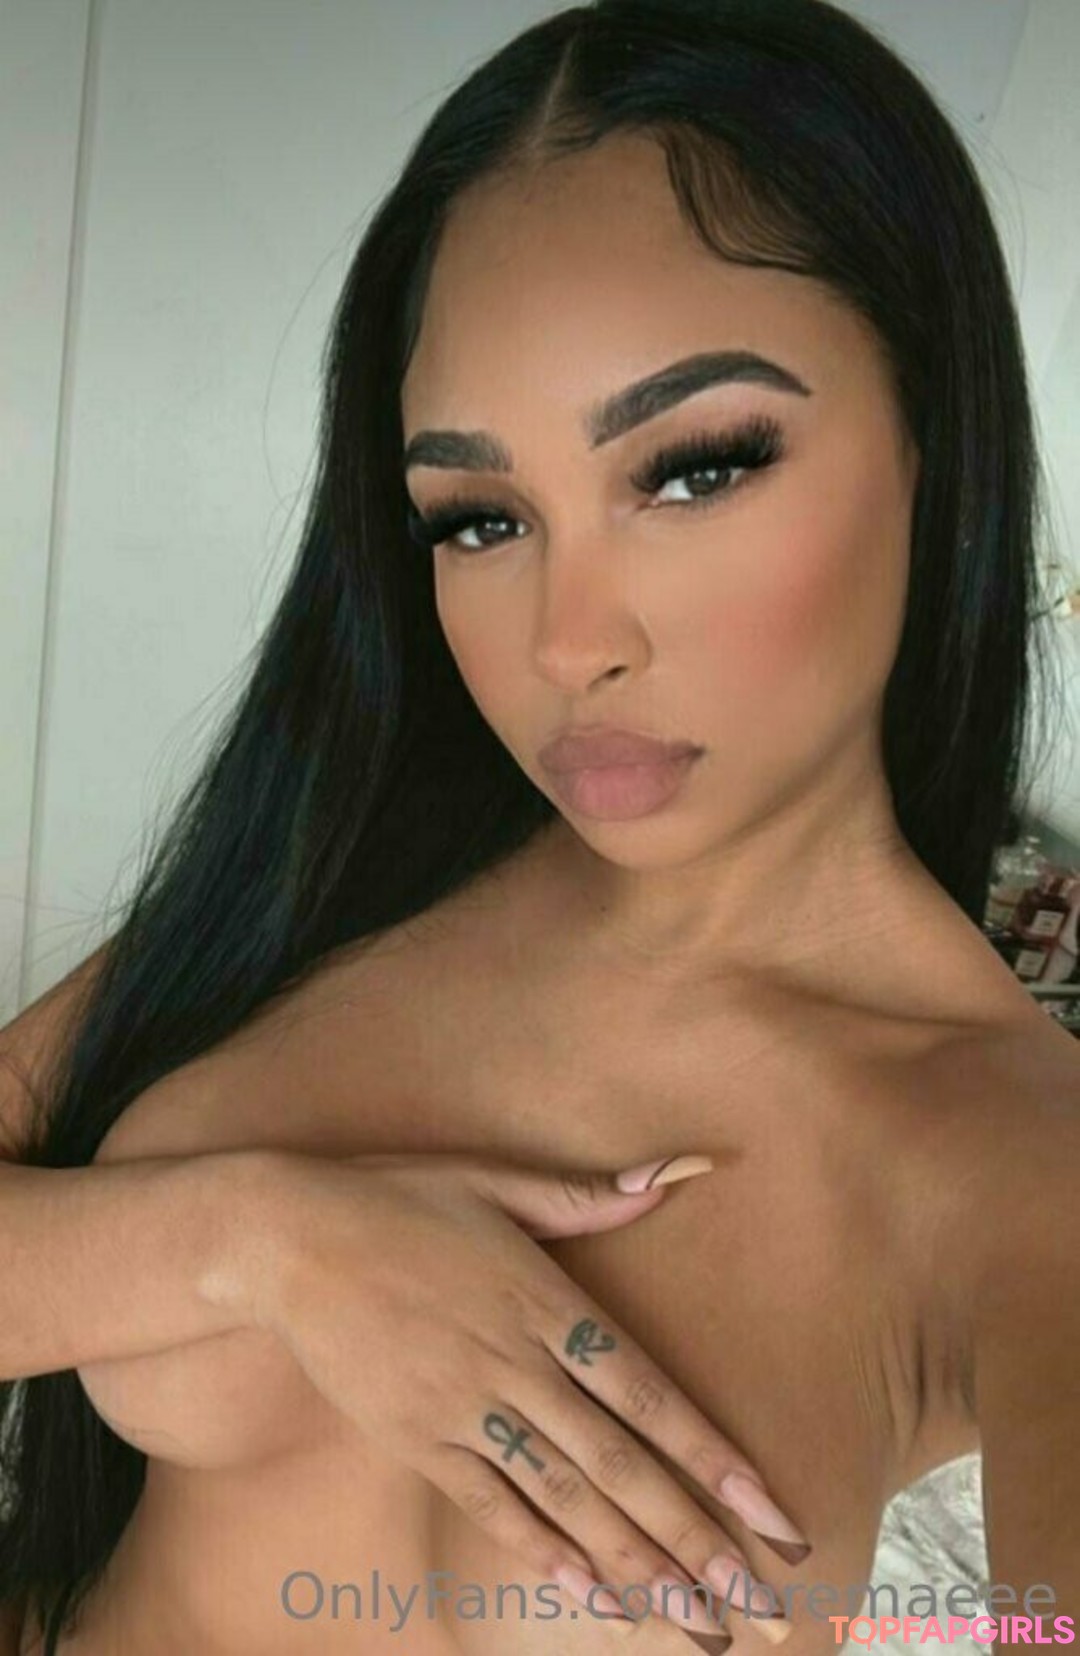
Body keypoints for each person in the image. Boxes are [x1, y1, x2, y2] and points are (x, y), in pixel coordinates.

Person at [3, 0, 1079, 1650]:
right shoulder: (357, 845)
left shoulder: (1018, 1170)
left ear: (933, 438)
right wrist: (268, 1246)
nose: (568, 643)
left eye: (695, 468)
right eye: (480, 517)